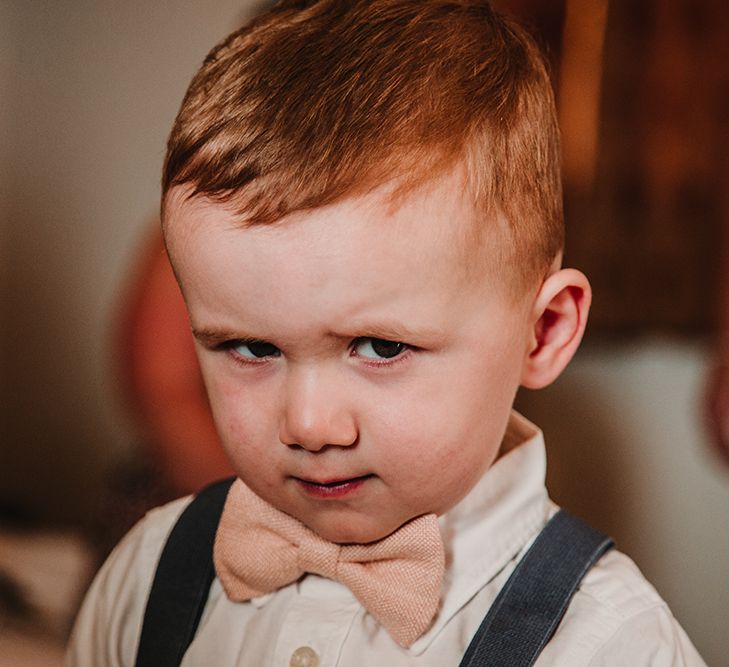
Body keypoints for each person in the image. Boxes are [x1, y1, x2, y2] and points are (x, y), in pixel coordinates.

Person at [67, 1, 705, 664]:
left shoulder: (609, 642)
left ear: (540, 332)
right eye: (251, 347)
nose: (310, 425)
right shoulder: (146, 575)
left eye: (380, 346)